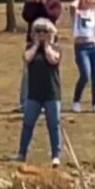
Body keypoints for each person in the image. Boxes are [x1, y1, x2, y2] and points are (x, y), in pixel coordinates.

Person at [14, 18, 63, 167]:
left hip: (52, 94)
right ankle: (22, 153)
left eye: (45, 31)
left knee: (53, 125)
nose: (41, 34)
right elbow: (27, 58)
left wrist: (48, 44)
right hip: (34, 94)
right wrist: (36, 44)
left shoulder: (56, 48)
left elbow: (53, 60)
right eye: (38, 31)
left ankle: (56, 155)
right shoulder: (30, 48)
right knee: (28, 124)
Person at [18, 0, 62, 111]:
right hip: (33, 42)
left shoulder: (55, 3)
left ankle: (51, 99)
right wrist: (37, 3)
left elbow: (52, 16)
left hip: (50, 42)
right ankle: (25, 102)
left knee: (50, 72)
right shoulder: (30, 3)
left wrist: (43, 3)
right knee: (28, 73)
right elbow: (27, 16)